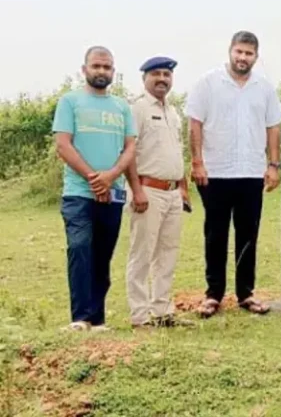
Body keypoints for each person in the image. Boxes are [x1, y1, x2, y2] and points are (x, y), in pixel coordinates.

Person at [185, 30, 281, 318]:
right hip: (215, 172)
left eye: (249, 53)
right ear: (230, 51)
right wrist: (196, 162)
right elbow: (195, 123)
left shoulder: (264, 88)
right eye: (239, 52)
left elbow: (273, 127)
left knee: (248, 235)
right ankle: (213, 294)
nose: (243, 58)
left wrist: (273, 165)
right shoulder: (208, 83)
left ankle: (246, 293)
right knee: (215, 234)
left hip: (251, 173)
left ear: (256, 56)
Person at [52, 46, 137, 332]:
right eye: (97, 66)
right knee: (79, 247)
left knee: (102, 255)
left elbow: (130, 147)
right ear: (84, 69)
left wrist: (111, 176)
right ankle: (79, 318)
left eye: (107, 67)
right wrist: (93, 178)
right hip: (78, 192)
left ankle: (97, 319)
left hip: (113, 193)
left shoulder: (122, 107)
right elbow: (63, 145)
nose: (102, 71)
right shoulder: (70, 102)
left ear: (113, 72)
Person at [124, 56, 193, 329]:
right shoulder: (138, 109)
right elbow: (128, 152)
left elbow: (176, 153)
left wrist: (183, 188)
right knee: (142, 254)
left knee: (168, 253)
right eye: (156, 74)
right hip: (147, 190)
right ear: (145, 79)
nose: (162, 79)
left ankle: (163, 311)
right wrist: (136, 190)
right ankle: (140, 317)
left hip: (172, 192)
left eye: (167, 74)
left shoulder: (173, 112)